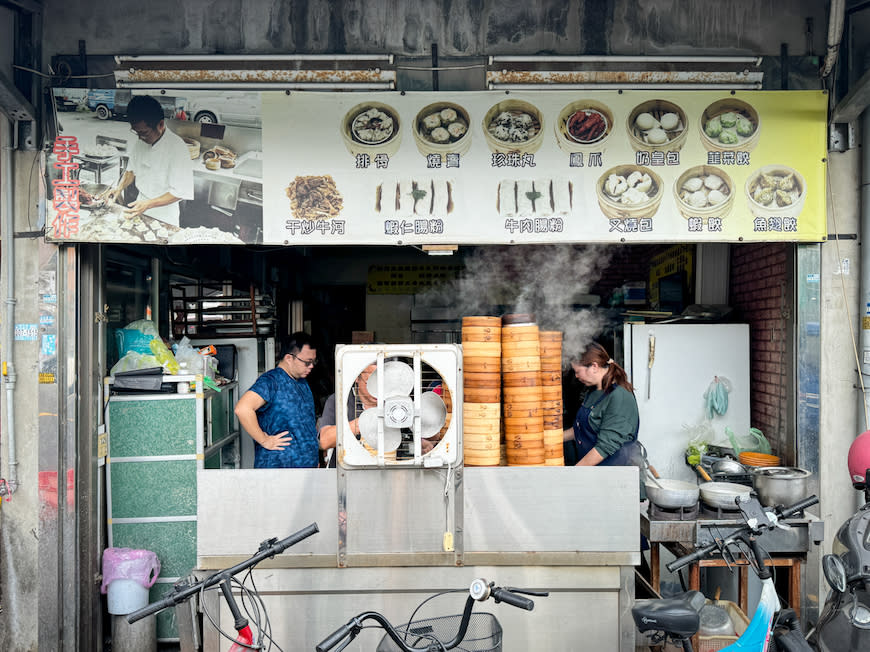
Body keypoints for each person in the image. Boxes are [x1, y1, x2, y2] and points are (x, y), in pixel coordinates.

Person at [101, 94, 194, 226]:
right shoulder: (141, 142)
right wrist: (119, 188)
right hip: (141, 204)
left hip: (165, 213)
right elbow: (131, 171)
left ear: (160, 124)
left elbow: (180, 192)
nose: (140, 138)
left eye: (144, 133)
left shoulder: (177, 148)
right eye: (136, 132)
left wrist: (149, 204)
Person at [234, 332, 322, 469]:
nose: (311, 366)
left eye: (313, 362)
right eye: (307, 362)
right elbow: (243, 409)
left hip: (305, 472)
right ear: (289, 358)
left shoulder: (302, 382)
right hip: (278, 471)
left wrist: (312, 456)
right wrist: (265, 440)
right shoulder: (271, 381)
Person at [563, 342, 641, 469]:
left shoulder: (619, 396)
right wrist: (549, 439)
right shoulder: (592, 392)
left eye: (578, 371)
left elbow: (605, 447)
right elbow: (580, 429)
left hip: (613, 473)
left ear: (594, 366)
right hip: (593, 471)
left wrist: (574, 473)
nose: (576, 376)